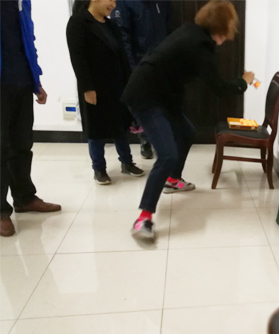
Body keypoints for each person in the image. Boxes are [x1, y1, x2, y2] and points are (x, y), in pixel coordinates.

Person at [121, 0, 254, 241]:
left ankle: (172, 179)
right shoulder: (199, 46)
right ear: (221, 27)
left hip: (162, 95)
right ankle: (143, 218)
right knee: (167, 154)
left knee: (187, 131)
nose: (228, 36)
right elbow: (220, 88)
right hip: (145, 96)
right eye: (227, 29)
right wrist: (243, 82)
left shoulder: (192, 33)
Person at [0, 0, 62, 238]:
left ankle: (24, 198)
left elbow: (28, 40)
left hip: (21, 81)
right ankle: (1, 212)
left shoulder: (21, 2)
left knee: (22, 144)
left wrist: (36, 80)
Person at [66, 0, 144, 185]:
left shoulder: (111, 25)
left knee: (120, 125)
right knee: (96, 129)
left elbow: (122, 55)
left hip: (116, 84)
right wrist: (87, 88)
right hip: (94, 86)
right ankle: (99, 168)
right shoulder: (78, 22)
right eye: (111, 0)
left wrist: (129, 82)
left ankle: (127, 162)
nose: (113, 5)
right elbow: (78, 58)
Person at [111, 0, 172, 159]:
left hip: (161, 60)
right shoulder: (125, 3)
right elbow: (123, 37)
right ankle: (145, 140)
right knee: (145, 104)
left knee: (162, 102)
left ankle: (164, 141)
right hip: (140, 63)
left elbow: (169, 28)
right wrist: (131, 67)